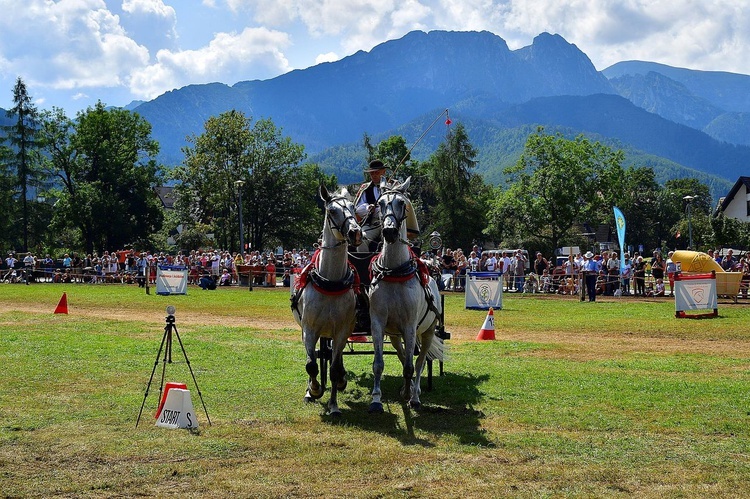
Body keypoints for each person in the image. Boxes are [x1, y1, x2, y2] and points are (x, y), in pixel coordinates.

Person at [354, 159, 420, 252]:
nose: (374, 175)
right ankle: (364, 264)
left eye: (376, 173)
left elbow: (402, 204)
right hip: (371, 224)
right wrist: (368, 208)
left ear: (383, 172)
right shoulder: (365, 189)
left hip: (392, 223)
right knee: (362, 239)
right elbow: (357, 209)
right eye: (372, 173)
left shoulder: (395, 186)